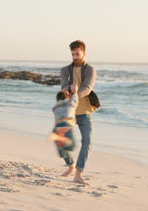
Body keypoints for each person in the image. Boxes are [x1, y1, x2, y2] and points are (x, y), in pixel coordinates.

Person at [60, 40, 97, 185]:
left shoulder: (90, 70)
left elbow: (87, 88)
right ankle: (70, 166)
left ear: (84, 53)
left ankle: (78, 173)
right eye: (73, 54)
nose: (75, 57)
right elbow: (63, 86)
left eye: (77, 54)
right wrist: (69, 90)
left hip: (85, 111)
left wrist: (75, 93)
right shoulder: (64, 70)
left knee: (86, 141)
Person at [48, 84, 79, 172]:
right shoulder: (70, 103)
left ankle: (71, 165)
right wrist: (75, 91)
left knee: (62, 150)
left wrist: (65, 92)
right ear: (67, 97)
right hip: (66, 124)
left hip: (57, 126)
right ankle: (59, 138)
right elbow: (75, 98)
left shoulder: (55, 108)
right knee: (71, 146)